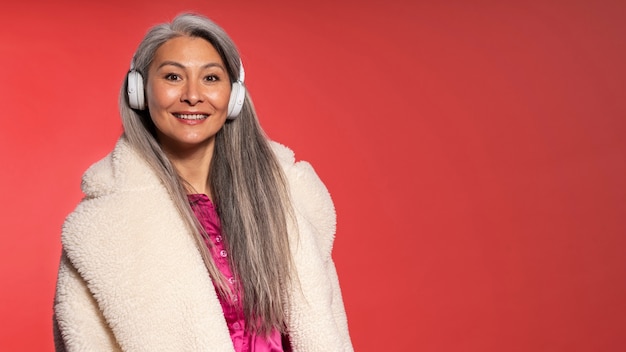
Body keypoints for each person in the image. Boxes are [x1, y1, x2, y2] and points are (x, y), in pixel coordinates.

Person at [53, 13, 353, 352]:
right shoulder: (101, 230)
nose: (193, 95)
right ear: (139, 91)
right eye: (172, 77)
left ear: (234, 95)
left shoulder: (292, 197)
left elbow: (328, 332)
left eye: (210, 77)